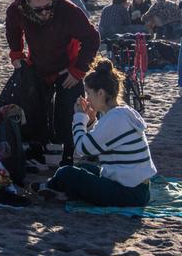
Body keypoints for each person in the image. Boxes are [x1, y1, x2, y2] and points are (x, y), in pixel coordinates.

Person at [5, 0, 101, 166]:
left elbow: (92, 38)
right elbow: (12, 28)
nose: (44, 12)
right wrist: (16, 53)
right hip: (37, 64)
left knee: (70, 108)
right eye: (38, 9)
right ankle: (36, 147)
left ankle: (68, 152)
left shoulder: (67, 10)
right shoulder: (17, 8)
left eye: (47, 7)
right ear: (27, 3)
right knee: (33, 106)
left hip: (68, 66)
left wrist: (78, 69)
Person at [38, 59, 156, 206]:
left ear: (100, 93)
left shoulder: (114, 118)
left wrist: (80, 118)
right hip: (138, 188)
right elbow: (100, 144)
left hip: (128, 192)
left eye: (88, 93)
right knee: (83, 168)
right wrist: (92, 122)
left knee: (66, 173)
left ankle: (50, 187)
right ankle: (57, 189)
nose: (87, 99)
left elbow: (82, 149)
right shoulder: (122, 113)